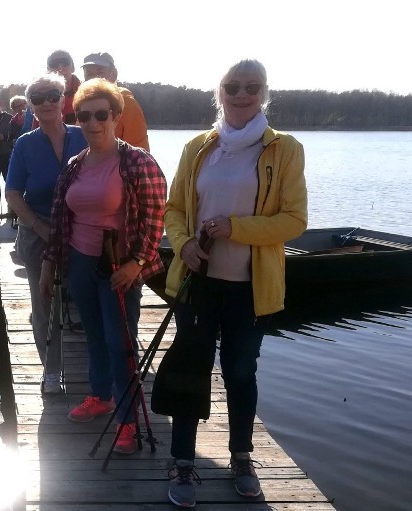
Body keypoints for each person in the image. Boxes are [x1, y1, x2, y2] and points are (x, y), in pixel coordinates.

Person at [161, 59, 307, 507]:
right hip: (198, 282)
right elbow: (174, 210)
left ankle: (241, 455)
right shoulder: (198, 147)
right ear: (219, 92)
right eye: (232, 86)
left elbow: (295, 220)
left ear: (264, 94)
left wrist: (237, 228)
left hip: (249, 288)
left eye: (251, 87)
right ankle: (183, 461)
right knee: (191, 371)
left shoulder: (284, 149)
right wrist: (184, 243)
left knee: (241, 372)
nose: (241, 94)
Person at [39, 78, 166, 455]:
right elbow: (61, 218)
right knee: (93, 334)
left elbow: (155, 217)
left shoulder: (137, 162)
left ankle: (128, 418)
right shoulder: (75, 165)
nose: (92, 122)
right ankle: (99, 395)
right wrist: (49, 266)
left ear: (115, 116)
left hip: (117, 265)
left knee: (120, 343)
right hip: (79, 262)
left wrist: (136, 263)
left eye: (100, 114)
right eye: (83, 115)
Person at [4, 74, 88, 395]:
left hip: (83, 233)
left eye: (53, 95)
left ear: (64, 98)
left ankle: (99, 368)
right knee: (44, 305)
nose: (47, 103)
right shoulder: (25, 144)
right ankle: (52, 370)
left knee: (89, 298)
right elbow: (13, 193)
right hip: (38, 234)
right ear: (31, 107)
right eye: (38, 99)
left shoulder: (84, 136)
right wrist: (39, 226)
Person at [81, 52, 150, 151]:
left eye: (100, 73)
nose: (94, 78)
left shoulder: (127, 104)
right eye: (89, 74)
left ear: (114, 74)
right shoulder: (82, 104)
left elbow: (140, 153)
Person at [46, 50, 81, 124]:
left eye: (65, 62)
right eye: (53, 64)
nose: (60, 68)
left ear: (73, 67)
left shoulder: (88, 93)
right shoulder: (38, 99)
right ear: (48, 70)